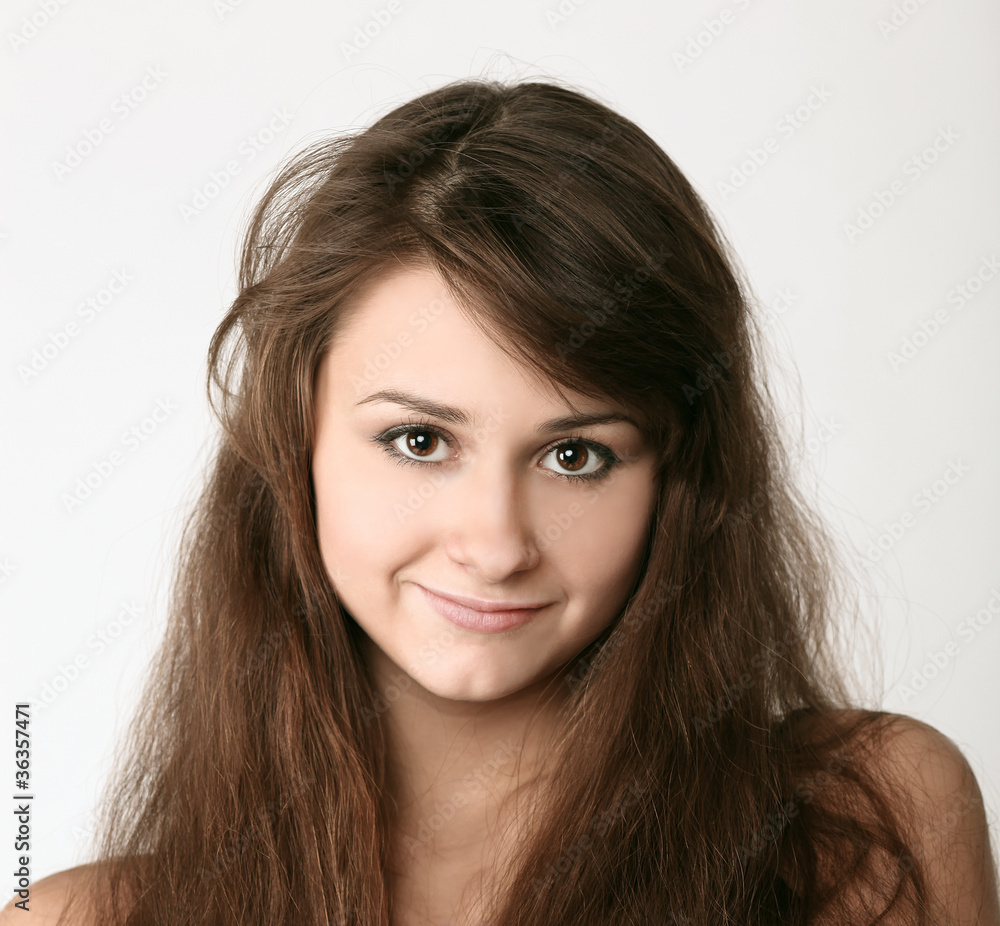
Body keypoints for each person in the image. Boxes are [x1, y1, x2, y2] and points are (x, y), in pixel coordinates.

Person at [5, 77, 998, 926]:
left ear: (680, 479)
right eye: (420, 440)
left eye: (574, 454)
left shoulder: (862, 827)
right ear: (292, 446)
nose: (494, 541)